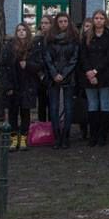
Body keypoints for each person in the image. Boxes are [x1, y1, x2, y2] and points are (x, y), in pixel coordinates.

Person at [0, 23, 42, 151]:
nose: (21, 32)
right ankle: (14, 139)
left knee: (25, 113)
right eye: (19, 30)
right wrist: (7, 86)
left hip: (27, 85)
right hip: (13, 85)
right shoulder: (9, 48)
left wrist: (28, 65)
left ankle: (23, 138)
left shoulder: (33, 47)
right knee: (13, 113)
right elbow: (3, 68)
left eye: (24, 30)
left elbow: (39, 65)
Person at [42, 12, 81, 149]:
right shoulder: (50, 38)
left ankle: (66, 136)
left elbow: (74, 58)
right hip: (53, 77)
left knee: (68, 107)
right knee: (53, 107)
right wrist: (54, 73)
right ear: (56, 23)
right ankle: (56, 136)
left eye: (65, 21)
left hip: (68, 76)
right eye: (60, 21)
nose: (63, 24)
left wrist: (64, 74)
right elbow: (47, 58)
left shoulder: (74, 38)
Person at [80, 9, 109, 147]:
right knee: (93, 105)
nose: (99, 20)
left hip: (105, 74)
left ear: (105, 19)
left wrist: (96, 71)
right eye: (96, 18)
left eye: (101, 18)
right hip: (89, 76)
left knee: (105, 105)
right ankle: (93, 135)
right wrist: (89, 72)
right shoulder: (87, 35)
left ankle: (103, 135)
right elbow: (83, 55)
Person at [32, 15, 53, 122]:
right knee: (41, 103)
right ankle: (42, 127)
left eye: (46, 23)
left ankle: (51, 127)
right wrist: (40, 74)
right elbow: (35, 57)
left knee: (52, 104)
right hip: (40, 76)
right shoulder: (36, 40)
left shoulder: (54, 39)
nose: (44, 25)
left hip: (52, 74)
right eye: (42, 23)